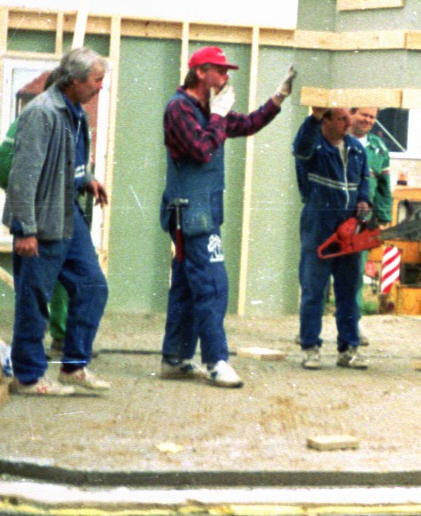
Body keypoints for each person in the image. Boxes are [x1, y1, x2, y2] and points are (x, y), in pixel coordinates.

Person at [159, 46, 295, 388]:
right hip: (192, 215)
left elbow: (248, 124)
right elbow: (204, 150)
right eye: (220, 71)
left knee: (189, 288)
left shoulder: (205, 109)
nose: (226, 77)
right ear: (201, 72)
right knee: (212, 286)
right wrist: (219, 115)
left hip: (199, 213)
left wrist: (277, 98)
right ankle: (216, 361)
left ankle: (175, 358)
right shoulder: (180, 109)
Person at [2, 48, 111, 396]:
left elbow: (71, 164)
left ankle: (73, 366)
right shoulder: (42, 114)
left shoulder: (73, 113)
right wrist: (24, 229)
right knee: (35, 297)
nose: (99, 88)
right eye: (96, 81)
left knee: (93, 286)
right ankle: (28, 377)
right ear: (75, 80)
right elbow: (23, 176)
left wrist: (87, 179)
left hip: (68, 215)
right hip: (42, 221)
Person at [0, 71, 68, 357]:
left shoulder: (63, 118)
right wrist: (28, 210)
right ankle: (35, 351)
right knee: (38, 282)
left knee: (61, 279)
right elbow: (4, 163)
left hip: (58, 212)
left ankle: (60, 337)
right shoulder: (39, 118)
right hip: (40, 214)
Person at [293, 107, 372, 370]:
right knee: (314, 289)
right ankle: (310, 348)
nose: (347, 123)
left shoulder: (356, 149)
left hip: (350, 225)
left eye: (348, 117)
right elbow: (300, 146)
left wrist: (364, 200)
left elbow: (364, 179)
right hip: (319, 223)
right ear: (325, 120)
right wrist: (312, 118)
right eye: (341, 118)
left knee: (348, 290)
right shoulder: (313, 148)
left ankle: (349, 349)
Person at [349, 107, 392, 340]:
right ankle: (308, 326)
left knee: (356, 272)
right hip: (334, 214)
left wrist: (383, 217)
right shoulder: (337, 139)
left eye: (372, 117)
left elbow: (384, 186)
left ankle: (354, 325)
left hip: (363, 220)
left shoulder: (379, 147)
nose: (368, 120)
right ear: (351, 113)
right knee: (319, 273)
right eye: (363, 114)